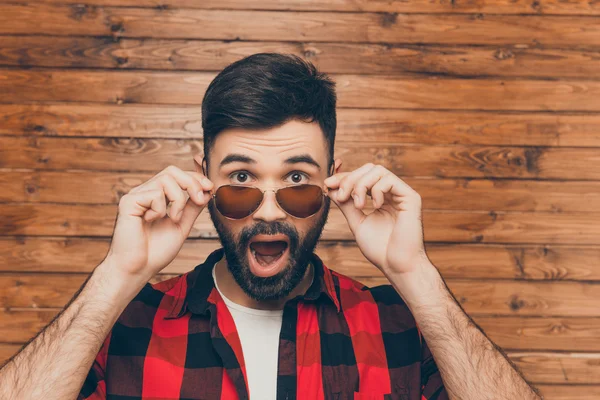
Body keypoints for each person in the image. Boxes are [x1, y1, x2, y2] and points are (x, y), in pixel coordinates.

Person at [0, 53, 541, 400]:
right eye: (240, 177)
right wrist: (116, 275)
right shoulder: (121, 324)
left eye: (297, 179)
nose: (267, 210)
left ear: (333, 182)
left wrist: (415, 273)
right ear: (202, 181)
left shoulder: (398, 325)